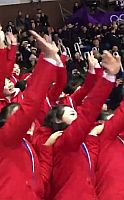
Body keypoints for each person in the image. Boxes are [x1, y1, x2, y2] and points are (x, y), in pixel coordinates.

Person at [0, 31, 63, 200]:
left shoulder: (25, 144)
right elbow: (30, 104)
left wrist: (47, 148)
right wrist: (48, 60)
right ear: (5, 121)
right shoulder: (4, 137)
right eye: (16, 115)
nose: (21, 119)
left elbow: (40, 179)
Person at [39, 51, 120, 200]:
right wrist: (108, 77)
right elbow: (88, 112)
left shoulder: (80, 142)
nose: (75, 113)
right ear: (58, 121)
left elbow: (91, 163)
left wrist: (92, 137)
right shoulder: (64, 141)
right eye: (71, 113)